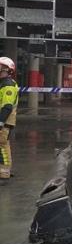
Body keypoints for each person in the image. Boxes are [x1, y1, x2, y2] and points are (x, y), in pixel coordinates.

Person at [0, 57, 18, 185]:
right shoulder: (3, 83)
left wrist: (0, 122)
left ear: (7, 69)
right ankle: (6, 170)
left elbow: (7, 106)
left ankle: (4, 173)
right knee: (5, 146)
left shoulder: (8, 84)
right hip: (4, 120)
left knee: (1, 146)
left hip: (4, 120)